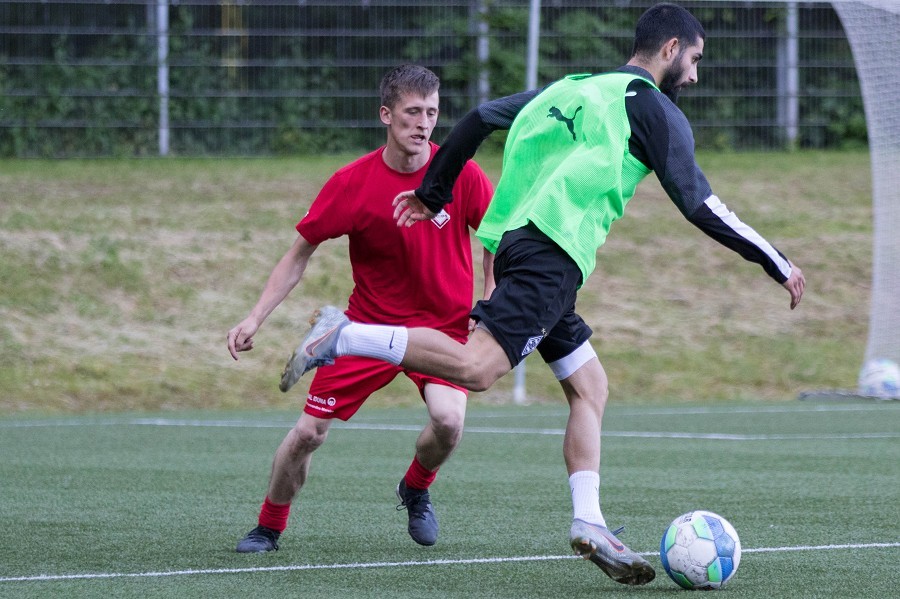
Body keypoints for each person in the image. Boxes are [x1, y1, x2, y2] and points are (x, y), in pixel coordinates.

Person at [280, 3, 805, 586]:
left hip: (519, 243)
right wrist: (775, 260)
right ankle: (343, 335)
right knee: (476, 369)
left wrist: (432, 190)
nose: (696, 76)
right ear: (671, 48)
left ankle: (589, 521)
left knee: (590, 385)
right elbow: (699, 201)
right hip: (552, 253)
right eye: (696, 60)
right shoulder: (651, 107)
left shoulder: (577, 87)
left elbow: (478, 118)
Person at [227, 64, 495, 553]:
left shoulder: (462, 173)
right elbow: (298, 254)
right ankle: (268, 526)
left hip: (443, 328)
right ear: (385, 115)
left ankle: (415, 488)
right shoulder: (352, 183)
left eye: (432, 113)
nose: (424, 123)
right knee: (308, 433)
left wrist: (490, 301)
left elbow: (497, 239)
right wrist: (254, 317)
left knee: (450, 422)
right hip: (367, 329)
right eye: (413, 112)